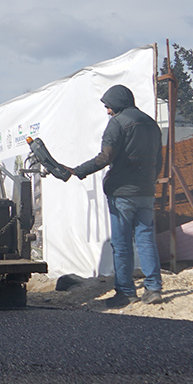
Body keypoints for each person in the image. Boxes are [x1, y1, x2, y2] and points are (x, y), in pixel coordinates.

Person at [70, 84, 164, 307]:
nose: (107, 111)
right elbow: (159, 160)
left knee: (121, 244)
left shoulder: (117, 123)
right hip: (146, 192)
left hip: (122, 192)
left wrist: (79, 170)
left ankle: (126, 293)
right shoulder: (151, 124)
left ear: (117, 103)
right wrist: (149, 181)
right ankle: (153, 288)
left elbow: (105, 158)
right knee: (146, 239)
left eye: (108, 106)